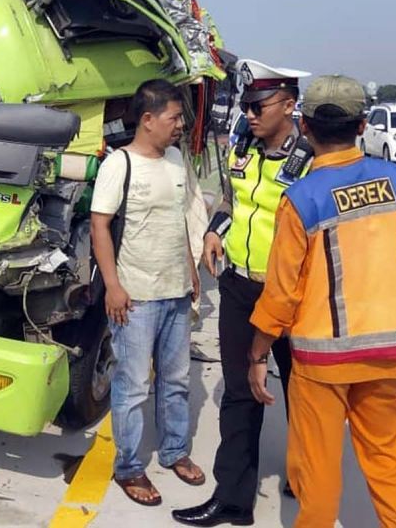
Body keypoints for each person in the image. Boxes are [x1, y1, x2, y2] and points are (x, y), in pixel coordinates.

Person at [244, 74, 396, 527]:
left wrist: (257, 352)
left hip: (321, 363)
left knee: (318, 478)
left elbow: (282, 291)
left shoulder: (302, 198)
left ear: (304, 127)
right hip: (390, 358)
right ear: (363, 124)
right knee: (391, 471)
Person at [172, 59, 311, 527]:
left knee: (303, 392)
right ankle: (233, 499)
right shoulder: (243, 145)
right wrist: (215, 230)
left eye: (259, 105)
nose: (249, 113)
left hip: (294, 295)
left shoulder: (311, 157)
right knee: (238, 393)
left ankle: (307, 478)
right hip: (239, 286)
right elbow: (232, 199)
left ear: (289, 104)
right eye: (245, 105)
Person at [91, 79, 204, 506]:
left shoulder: (176, 159)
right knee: (133, 386)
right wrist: (114, 286)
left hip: (175, 292)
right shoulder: (119, 164)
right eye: (174, 117)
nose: (180, 124)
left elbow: (178, 221)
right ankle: (129, 467)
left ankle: (175, 451)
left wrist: (190, 269)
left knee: (175, 380)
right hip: (135, 297)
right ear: (147, 119)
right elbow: (101, 226)